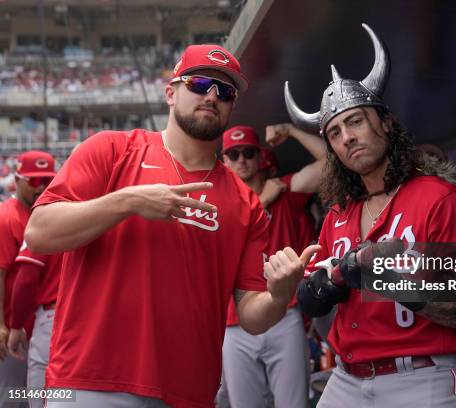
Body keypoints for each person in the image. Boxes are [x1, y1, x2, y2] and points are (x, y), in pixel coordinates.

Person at [24, 44, 318, 408]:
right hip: (91, 381)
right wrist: (129, 201)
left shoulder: (246, 204)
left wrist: (277, 296)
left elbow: (252, 317)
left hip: (187, 393)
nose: (212, 95)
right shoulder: (112, 150)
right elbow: (39, 233)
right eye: (199, 83)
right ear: (170, 92)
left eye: (225, 91)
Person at [285, 24, 456, 407]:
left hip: (419, 378)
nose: (347, 137)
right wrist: (322, 287)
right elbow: (314, 298)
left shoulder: (442, 199)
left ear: (385, 122)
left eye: (355, 121)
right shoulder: (338, 214)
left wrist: (397, 283)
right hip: (346, 379)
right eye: (334, 133)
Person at [219, 123, 324, 408]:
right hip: (234, 322)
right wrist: (262, 201)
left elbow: (332, 164)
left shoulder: (285, 192)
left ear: (260, 156)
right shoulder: (220, 205)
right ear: (225, 162)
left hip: (283, 314)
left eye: (248, 153)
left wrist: (292, 131)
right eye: (234, 154)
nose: (241, 160)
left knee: (294, 404)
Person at [0, 150, 55, 407]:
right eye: (34, 180)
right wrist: (2, 325)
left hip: (37, 327)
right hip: (12, 327)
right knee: (12, 396)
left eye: (46, 179)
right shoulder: (6, 217)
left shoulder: (45, 214)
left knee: (40, 397)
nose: (41, 186)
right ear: (17, 179)